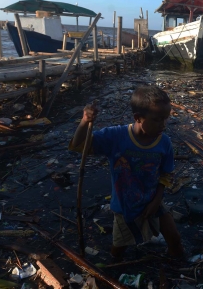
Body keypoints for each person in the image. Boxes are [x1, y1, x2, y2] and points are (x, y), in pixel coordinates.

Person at [70, 86, 184, 261]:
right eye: (157, 120)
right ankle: (114, 272)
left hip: (153, 201)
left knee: (175, 240)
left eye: (165, 119)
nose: (163, 125)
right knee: (119, 250)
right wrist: (85, 121)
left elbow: (166, 175)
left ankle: (175, 271)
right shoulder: (116, 137)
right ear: (138, 118)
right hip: (126, 207)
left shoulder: (164, 143)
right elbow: (79, 146)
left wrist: (157, 200)